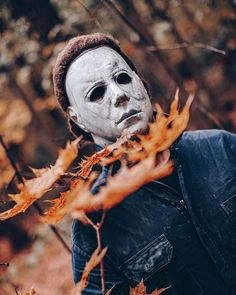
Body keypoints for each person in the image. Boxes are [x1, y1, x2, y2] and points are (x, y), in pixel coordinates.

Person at [53, 33, 236, 295]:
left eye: (123, 78)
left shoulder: (221, 148)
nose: (118, 94)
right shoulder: (95, 226)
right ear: (78, 118)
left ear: (140, 82)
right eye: (97, 93)